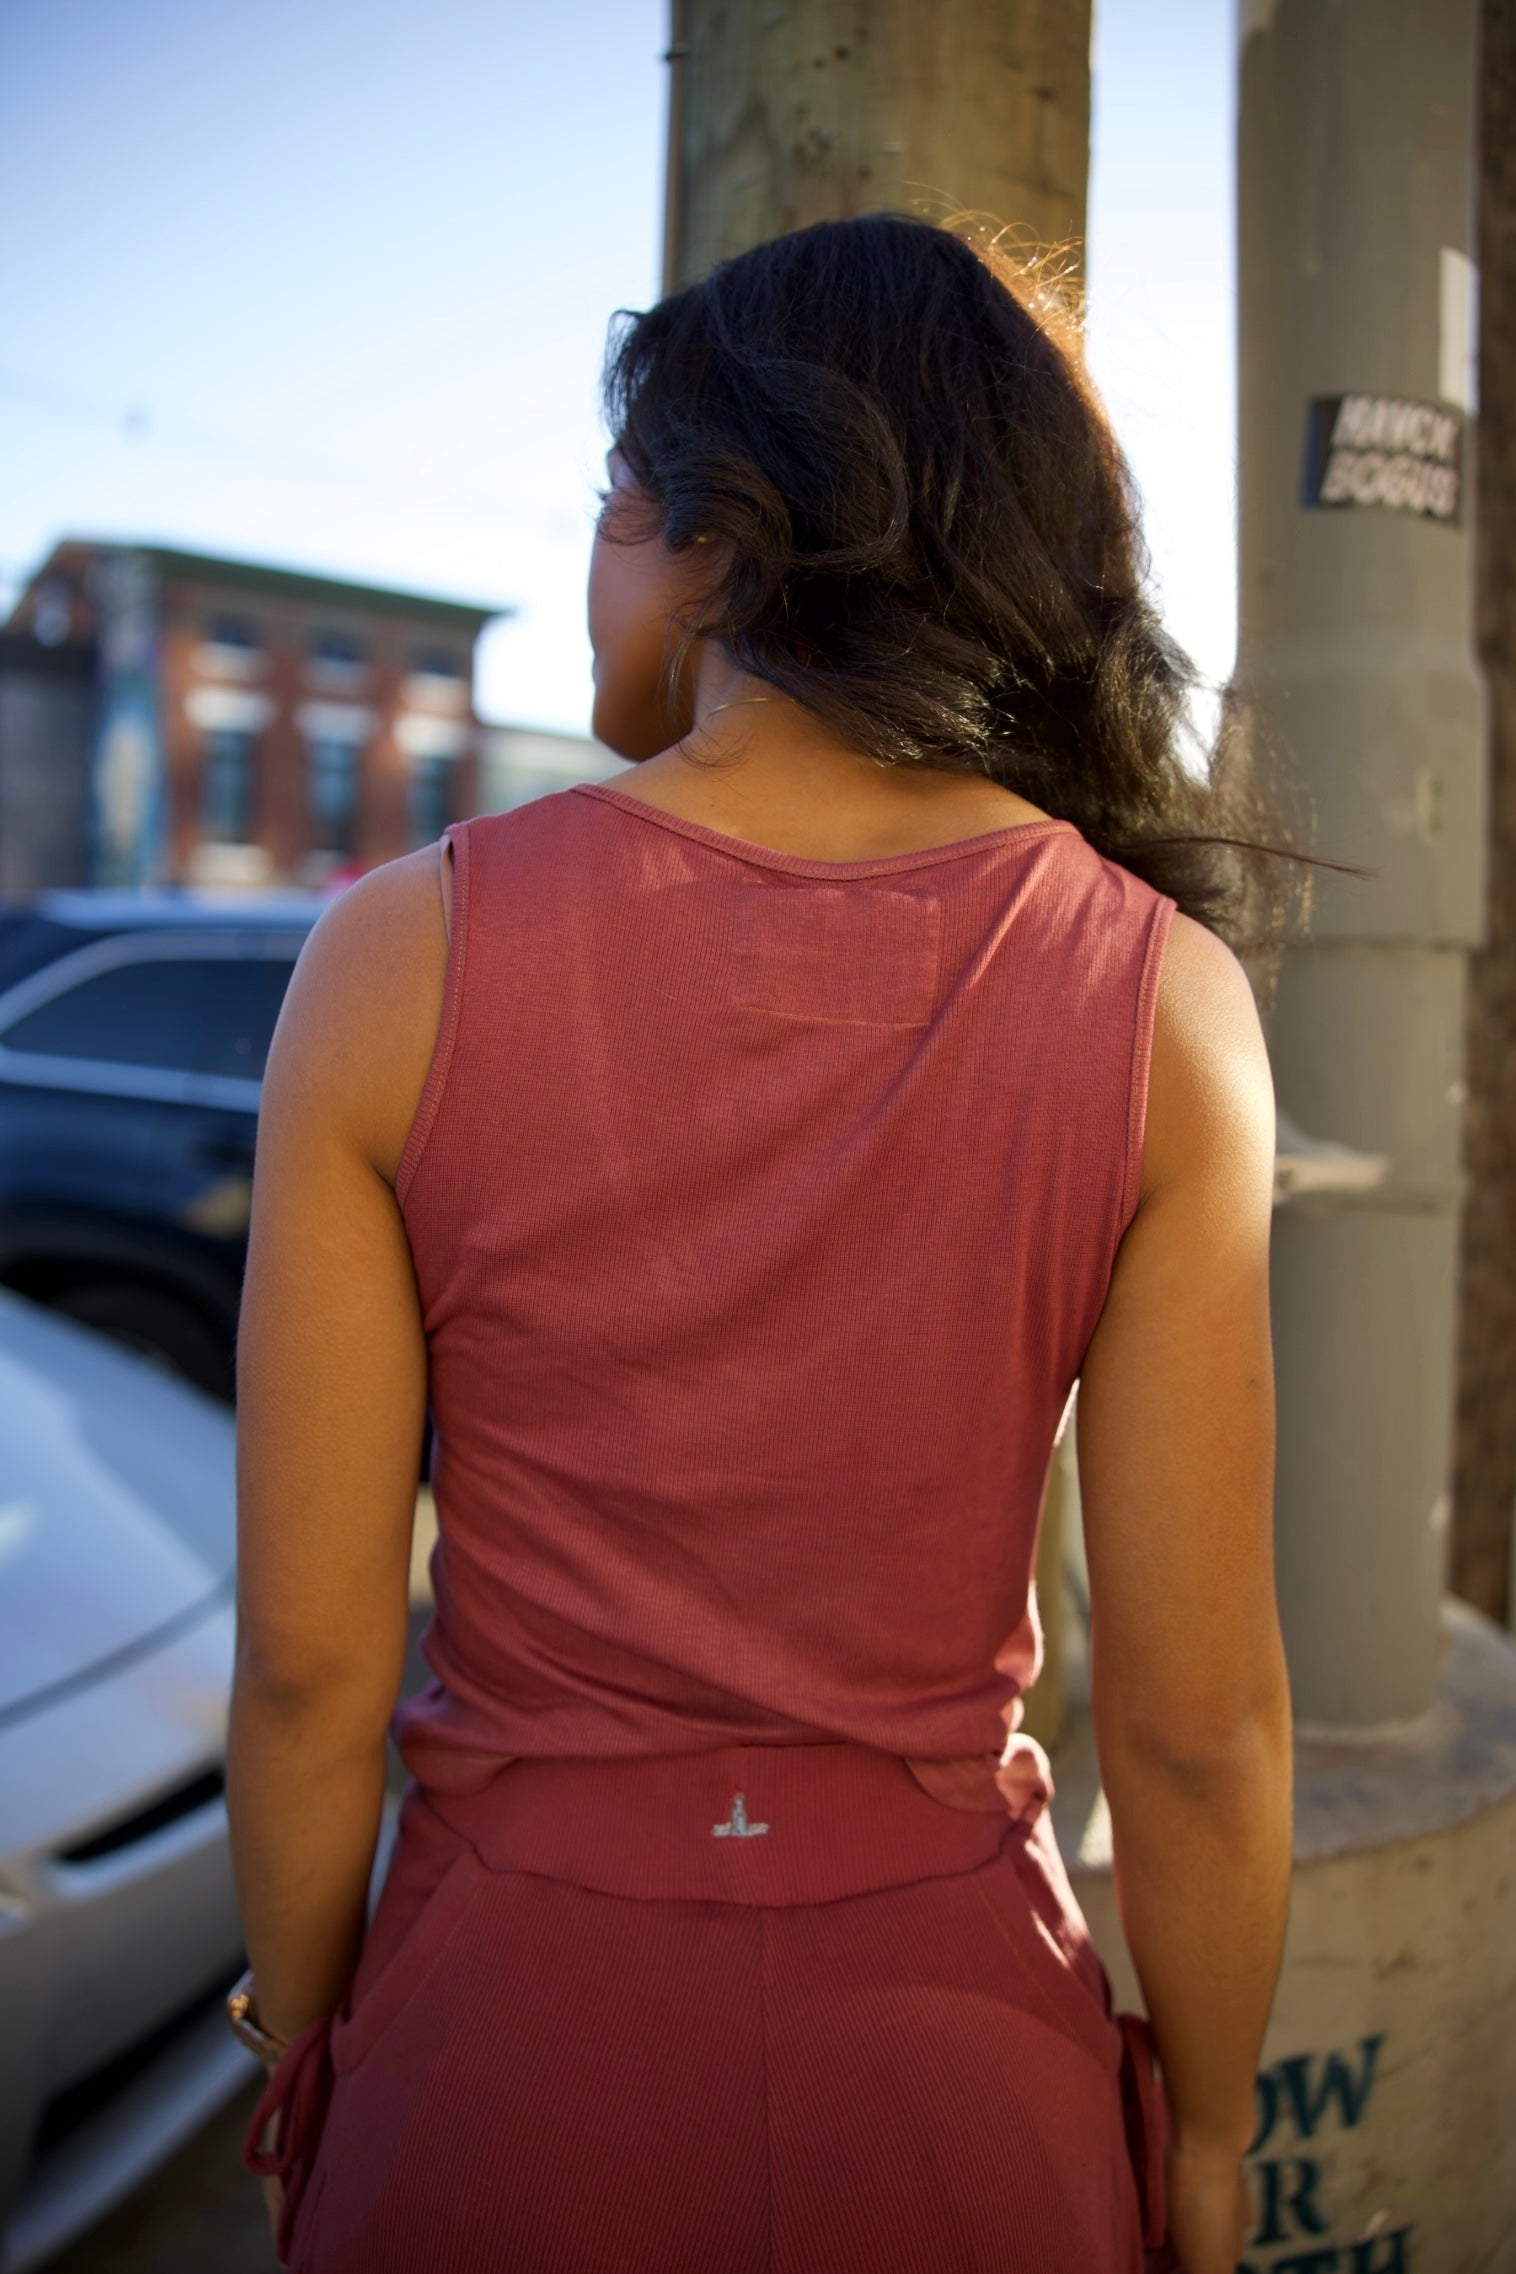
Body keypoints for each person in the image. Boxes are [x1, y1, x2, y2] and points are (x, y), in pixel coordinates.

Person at [226, 212, 1296, 2274]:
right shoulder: (1158, 1000)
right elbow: (1195, 1726)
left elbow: (305, 1675)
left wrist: (302, 2039)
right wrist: (1217, 2127)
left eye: (611, 496)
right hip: (964, 2070)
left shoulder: (397, 955)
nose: (590, 553)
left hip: (503, 2053)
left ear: (718, 532)